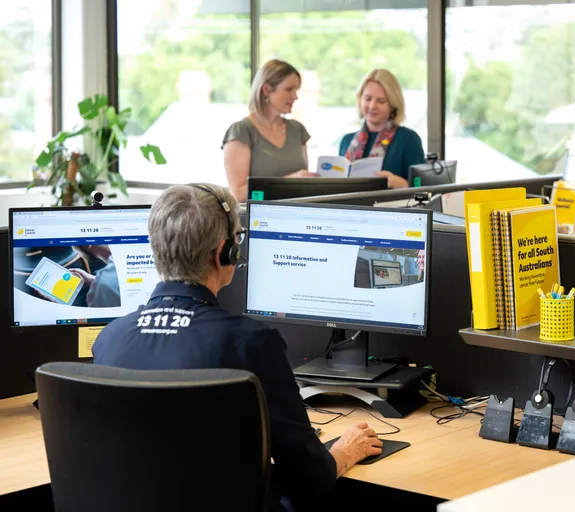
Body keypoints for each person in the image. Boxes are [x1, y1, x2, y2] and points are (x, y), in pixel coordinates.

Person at [92, 184, 382, 511]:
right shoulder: (250, 343)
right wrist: (342, 452)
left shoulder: (109, 339)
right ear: (224, 252)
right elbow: (308, 476)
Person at [223, 60, 315, 202]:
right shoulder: (242, 131)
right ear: (266, 89)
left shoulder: (298, 130)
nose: (295, 97)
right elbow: (238, 194)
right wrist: (288, 182)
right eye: (289, 89)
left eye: (296, 90)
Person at [339, 69, 425, 189]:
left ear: (392, 104)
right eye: (368, 99)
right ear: (360, 99)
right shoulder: (346, 141)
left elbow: (422, 189)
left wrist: (401, 184)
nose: (372, 106)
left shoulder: (408, 139)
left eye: (380, 101)